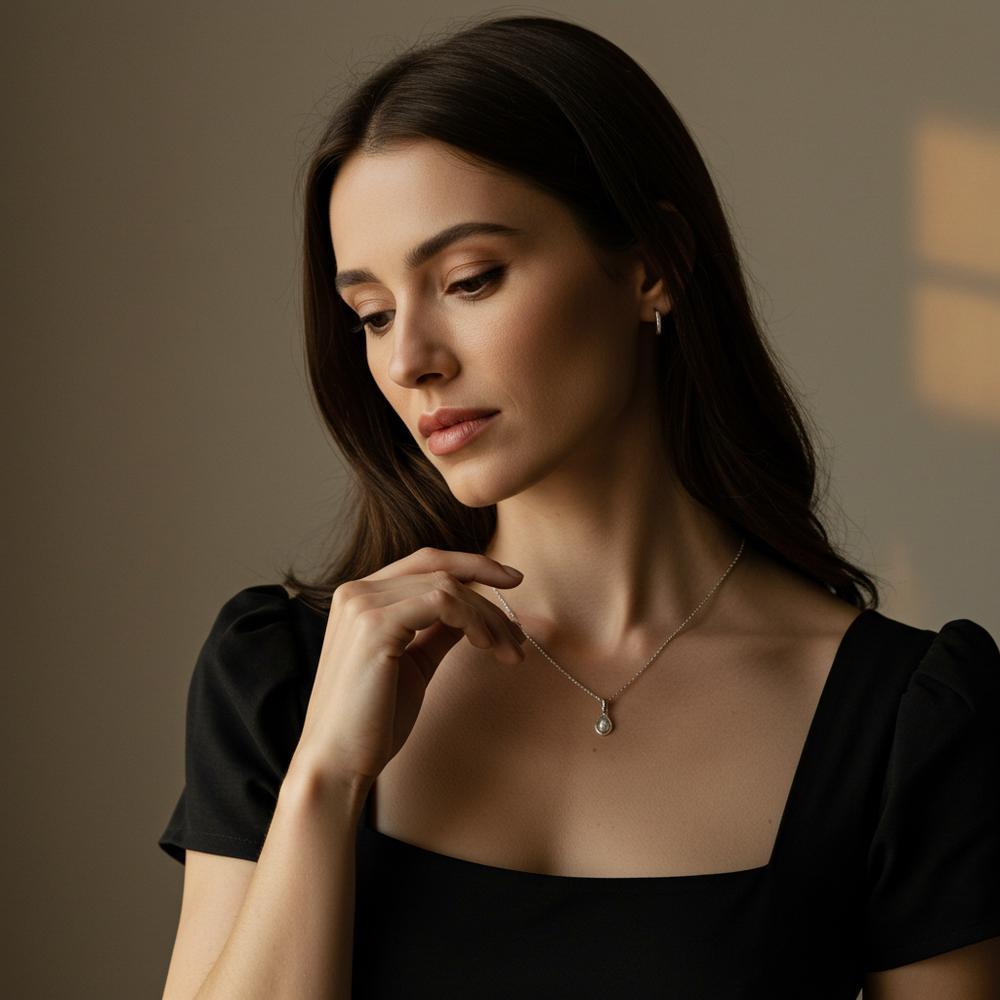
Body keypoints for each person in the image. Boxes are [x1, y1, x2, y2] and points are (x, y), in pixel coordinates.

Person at [157, 13, 1000, 999]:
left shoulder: (908, 721)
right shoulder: (285, 672)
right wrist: (326, 775)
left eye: (467, 280)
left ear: (651, 265)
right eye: (371, 314)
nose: (407, 359)